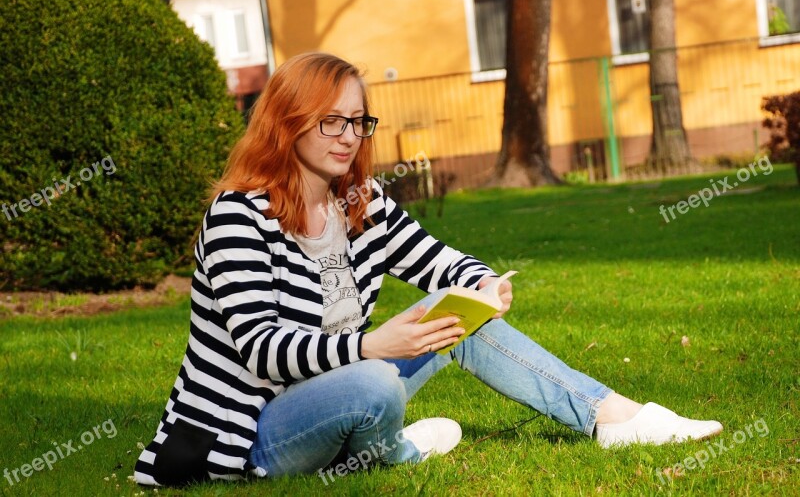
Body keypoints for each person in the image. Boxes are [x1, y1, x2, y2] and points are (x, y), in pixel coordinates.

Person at [133, 52, 723, 487]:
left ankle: (610, 416)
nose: (347, 136)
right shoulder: (238, 214)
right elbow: (261, 348)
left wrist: (481, 284)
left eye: (357, 121)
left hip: (348, 380)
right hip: (255, 429)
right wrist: (372, 345)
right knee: (373, 382)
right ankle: (392, 450)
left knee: (452, 314)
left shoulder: (358, 200)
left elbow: (435, 258)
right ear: (287, 121)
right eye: (329, 121)